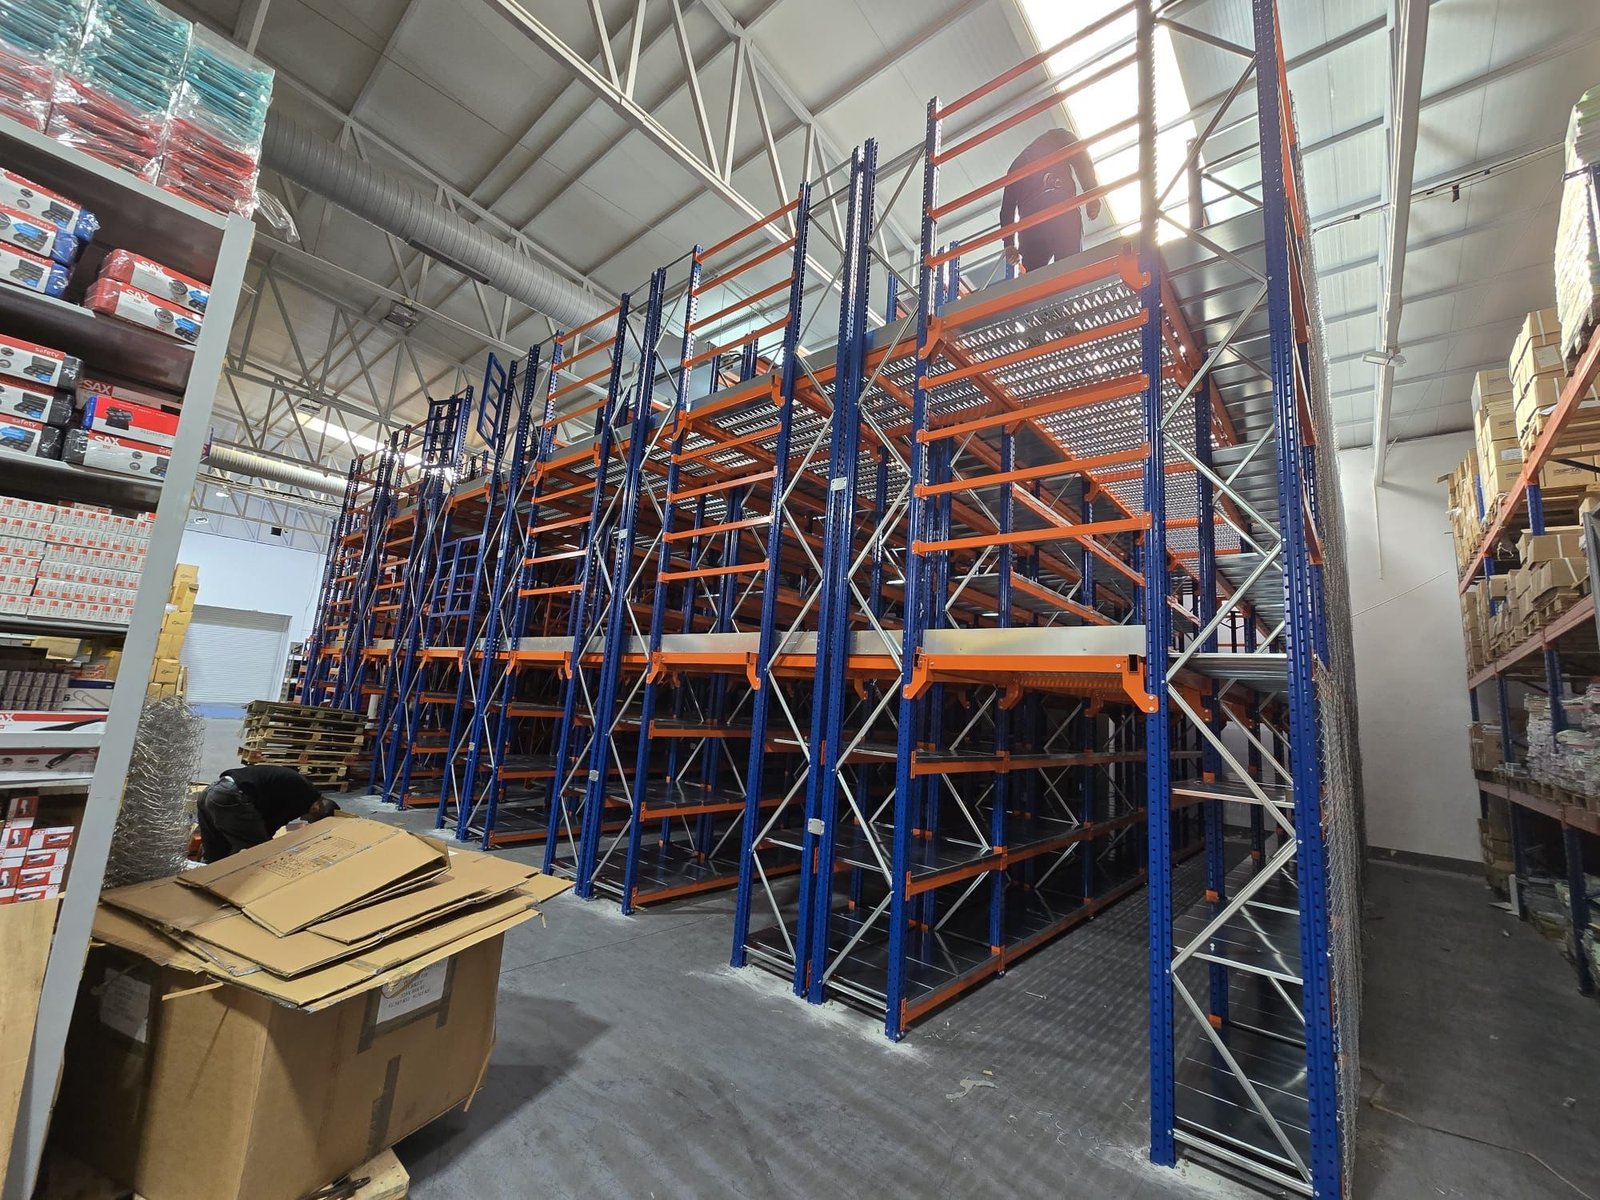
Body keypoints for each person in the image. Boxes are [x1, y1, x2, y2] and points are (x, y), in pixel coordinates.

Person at [999, 127, 1102, 273]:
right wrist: (1091, 192)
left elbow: (1007, 209)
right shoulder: (1057, 137)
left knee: (1035, 276)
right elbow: (1081, 158)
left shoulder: (1017, 165)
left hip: (1032, 223)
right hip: (1060, 209)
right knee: (1069, 270)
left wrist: (1009, 244)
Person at [196, 764, 340, 862]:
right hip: (230, 795)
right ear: (316, 809)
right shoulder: (304, 798)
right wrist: (270, 846)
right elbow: (270, 824)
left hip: (213, 791)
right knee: (262, 853)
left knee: (216, 853)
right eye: (311, 820)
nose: (305, 820)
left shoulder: (303, 788)